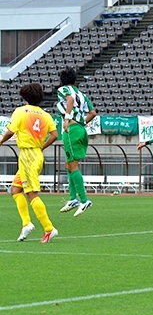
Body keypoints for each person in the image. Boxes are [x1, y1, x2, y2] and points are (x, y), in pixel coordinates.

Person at [0, 83, 59, 243]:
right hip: (36, 154)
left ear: (25, 96)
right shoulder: (45, 115)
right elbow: (54, 134)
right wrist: (41, 147)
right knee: (15, 189)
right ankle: (26, 223)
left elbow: (11, 131)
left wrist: (1, 141)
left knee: (31, 193)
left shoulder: (20, 111)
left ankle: (49, 228)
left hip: (27, 156)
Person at [57, 67, 97, 217]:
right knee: (69, 164)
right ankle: (72, 199)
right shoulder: (82, 94)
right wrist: (82, 124)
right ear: (75, 80)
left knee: (72, 166)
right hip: (79, 129)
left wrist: (67, 119)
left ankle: (84, 200)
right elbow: (93, 113)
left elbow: (70, 99)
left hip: (71, 131)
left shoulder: (63, 90)